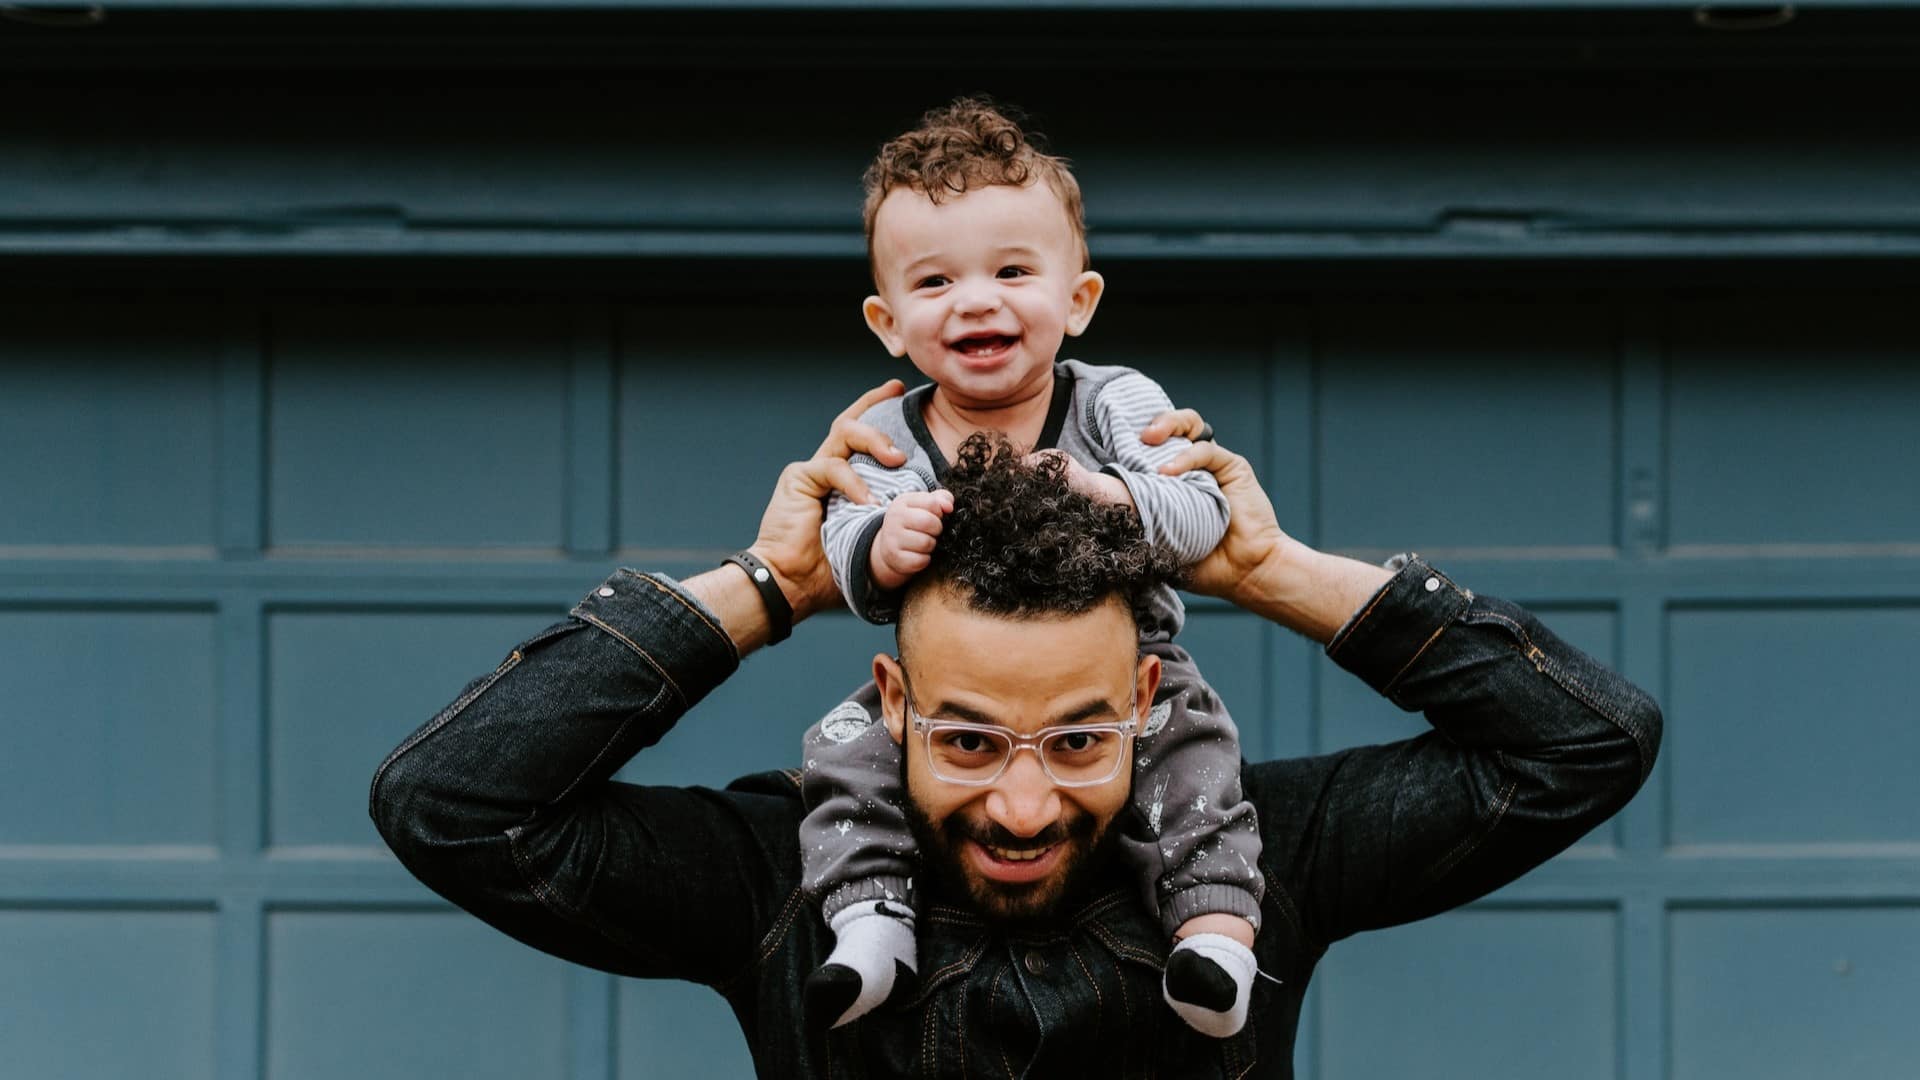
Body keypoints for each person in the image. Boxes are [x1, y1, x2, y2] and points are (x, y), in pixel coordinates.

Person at [369, 382, 1663, 1079]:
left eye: (1082, 742)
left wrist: (1268, 570)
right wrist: (770, 591)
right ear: (892, 706)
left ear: (1149, 705)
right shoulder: (782, 877)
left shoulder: (1264, 856)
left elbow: (1584, 743)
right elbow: (453, 802)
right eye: (972, 743)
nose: (1026, 808)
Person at [805, 96, 1261, 1036]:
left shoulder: (1112, 403)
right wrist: (878, 546)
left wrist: (1113, 496)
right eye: (935, 284)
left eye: (1013, 271)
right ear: (889, 323)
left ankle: (1213, 936)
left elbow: (1200, 512)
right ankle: (869, 923)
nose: (976, 299)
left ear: (1078, 300)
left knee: (1196, 756)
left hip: (1133, 664)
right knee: (844, 754)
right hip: (948, 688)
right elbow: (845, 550)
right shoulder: (886, 432)